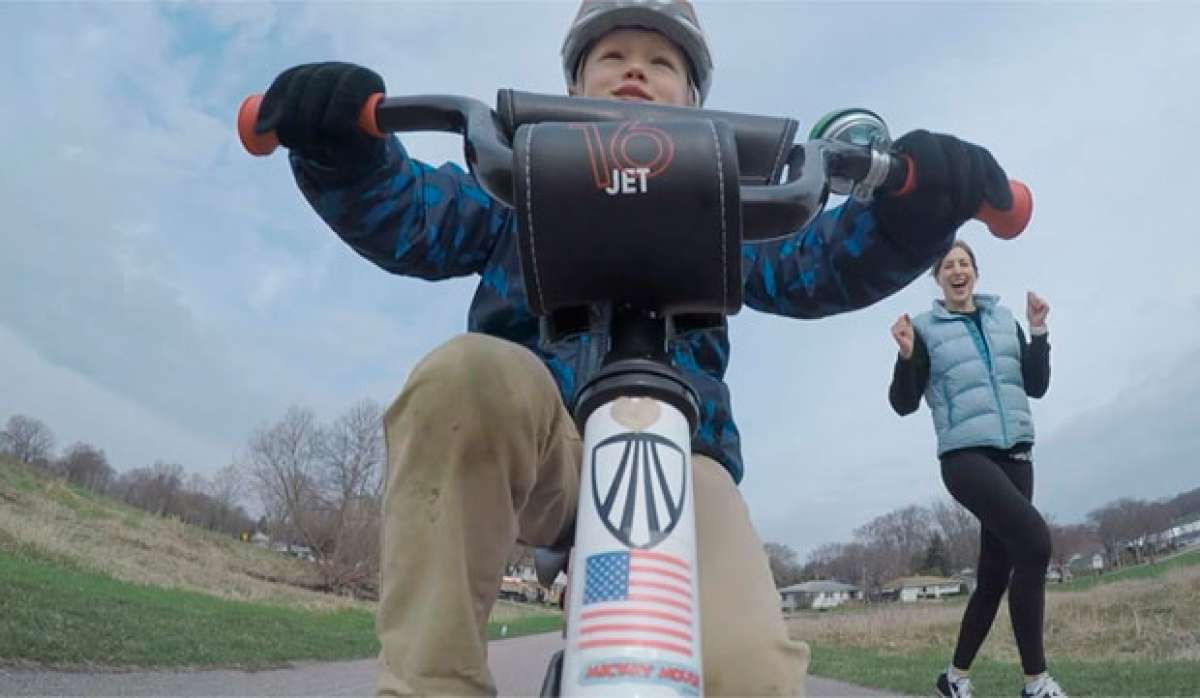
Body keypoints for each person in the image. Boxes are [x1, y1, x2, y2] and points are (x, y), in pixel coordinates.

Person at [253, 1, 1017, 694]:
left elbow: (810, 265)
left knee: (747, 674)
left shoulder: (723, 204)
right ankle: (432, 686)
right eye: (611, 56)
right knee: (464, 379)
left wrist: (907, 218)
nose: (635, 72)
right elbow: (416, 216)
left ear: (694, 101)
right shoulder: (512, 186)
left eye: (661, 62)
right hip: (541, 447)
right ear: (574, 84)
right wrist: (346, 158)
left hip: (683, 464)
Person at [888, 240, 1065, 698]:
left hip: (1016, 457)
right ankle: (1035, 682)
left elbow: (1036, 385)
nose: (957, 269)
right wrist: (906, 356)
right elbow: (903, 403)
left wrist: (1039, 330)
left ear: (976, 273)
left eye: (964, 262)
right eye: (947, 264)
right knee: (1035, 542)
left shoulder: (1003, 320)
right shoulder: (924, 328)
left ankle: (954, 678)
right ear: (938, 278)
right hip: (966, 457)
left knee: (992, 578)